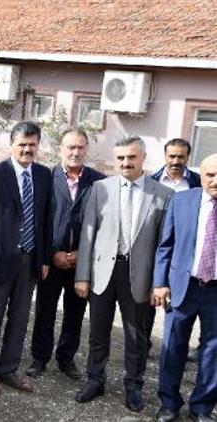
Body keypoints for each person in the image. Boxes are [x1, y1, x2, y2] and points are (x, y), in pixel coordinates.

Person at [74, 136, 173, 412]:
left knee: (136, 336)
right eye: (120, 158)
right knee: (97, 333)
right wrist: (82, 275)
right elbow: (88, 233)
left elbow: (164, 244)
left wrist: (159, 283)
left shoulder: (163, 195)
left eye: (131, 157)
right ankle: (95, 380)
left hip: (139, 275)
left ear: (143, 158)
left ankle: (134, 387)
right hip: (103, 272)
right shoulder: (100, 188)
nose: (125, 163)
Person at [0, 121, 52, 396]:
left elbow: (45, 220)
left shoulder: (43, 175)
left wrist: (43, 260)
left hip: (29, 261)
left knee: (19, 319)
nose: (27, 149)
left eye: (32, 145)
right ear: (12, 145)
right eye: (22, 145)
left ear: (38, 145)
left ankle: (8, 370)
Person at [26, 128, 105, 380]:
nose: (75, 152)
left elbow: (104, 223)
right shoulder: (45, 178)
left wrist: (83, 253)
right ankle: (39, 358)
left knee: (75, 313)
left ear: (86, 150)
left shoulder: (99, 182)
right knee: (45, 311)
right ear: (60, 149)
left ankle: (66, 358)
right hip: (52, 261)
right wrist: (51, 254)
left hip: (82, 263)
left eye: (80, 147)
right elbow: (38, 221)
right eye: (70, 147)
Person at [152, 153, 217, 422]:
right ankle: (169, 404)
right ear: (199, 175)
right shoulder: (182, 201)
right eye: (210, 175)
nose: (215, 180)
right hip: (183, 287)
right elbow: (165, 245)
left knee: (213, 352)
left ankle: (202, 407)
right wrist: (160, 283)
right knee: (173, 348)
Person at [147, 138, 202, 359]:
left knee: (188, 301)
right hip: (155, 247)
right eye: (172, 156)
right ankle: (145, 343)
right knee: (150, 297)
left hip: (186, 251)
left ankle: (197, 348)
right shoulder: (151, 182)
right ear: (165, 156)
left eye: (181, 156)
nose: (176, 161)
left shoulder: (199, 182)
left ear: (188, 157)